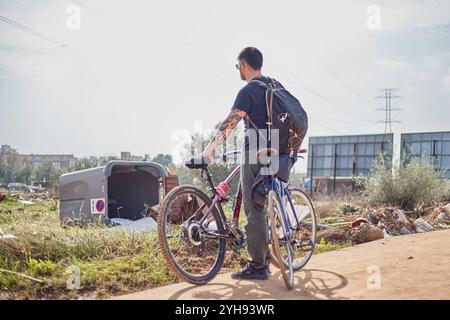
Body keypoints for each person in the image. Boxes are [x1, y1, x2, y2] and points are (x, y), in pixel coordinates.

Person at [201, 47, 289, 280]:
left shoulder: (248, 90)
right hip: (278, 150)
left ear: (243, 65)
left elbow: (230, 124)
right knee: (267, 201)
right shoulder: (275, 85)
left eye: (238, 67)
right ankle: (271, 250)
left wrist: (209, 150)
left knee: (254, 207)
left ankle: (258, 266)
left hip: (256, 150)